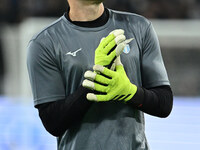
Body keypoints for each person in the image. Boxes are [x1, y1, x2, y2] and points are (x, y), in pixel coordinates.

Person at [27, 0, 173, 149]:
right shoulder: (44, 43)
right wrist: (96, 80)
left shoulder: (139, 26)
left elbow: (164, 103)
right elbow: (53, 122)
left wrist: (130, 92)